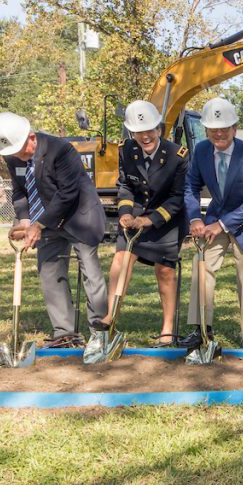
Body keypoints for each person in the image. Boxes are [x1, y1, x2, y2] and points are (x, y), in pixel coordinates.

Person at [0, 111, 108, 347]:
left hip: (79, 216)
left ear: (31, 137)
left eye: (21, 151)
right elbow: (20, 191)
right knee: (49, 271)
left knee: (90, 271)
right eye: (13, 153)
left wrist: (38, 224)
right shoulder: (12, 154)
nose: (18, 157)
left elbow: (67, 194)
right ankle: (64, 332)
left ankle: (100, 330)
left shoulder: (60, 150)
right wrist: (24, 220)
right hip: (46, 219)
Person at [182, 97, 243, 350]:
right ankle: (202, 329)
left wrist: (221, 225)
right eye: (213, 128)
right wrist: (196, 217)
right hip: (214, 218)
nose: (218, 133)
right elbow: (190, 186)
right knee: (202, 266)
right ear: (206, 129)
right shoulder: (200, 151)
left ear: (235, 128)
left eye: (224, 128)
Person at [101, 100, 188, 347]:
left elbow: (177, 197)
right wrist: (126, 214)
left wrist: (148, 220)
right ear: (132, 133)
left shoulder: (177, 156)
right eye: (139, 132)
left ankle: (167, 330)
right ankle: (110, 318)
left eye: (149, 130)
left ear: (159, 129)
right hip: (135, 216)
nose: (145, 136)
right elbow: (125, 185)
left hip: (166, 220)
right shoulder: (126, 150)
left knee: (165, 271)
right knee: (120, 260)